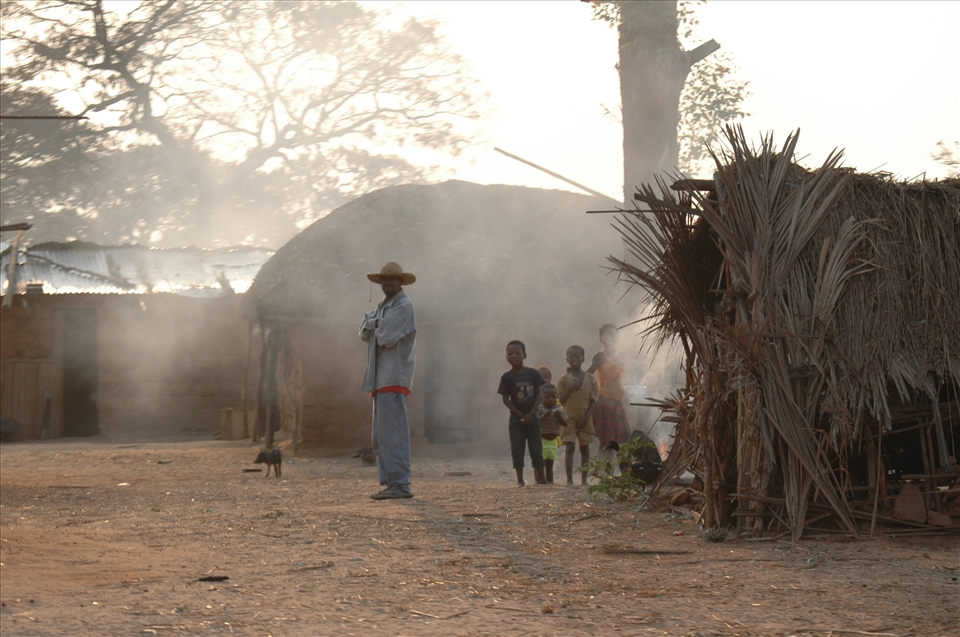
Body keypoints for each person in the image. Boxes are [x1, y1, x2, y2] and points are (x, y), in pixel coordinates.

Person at [359, 262, 417, 500]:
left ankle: (400, 484)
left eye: (392, 280)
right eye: (384, 280)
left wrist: (373, 324)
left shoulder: (403, 306)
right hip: (380, 379)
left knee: (393, 433)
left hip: (394, 377)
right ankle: (392, 483)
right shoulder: (384, 307)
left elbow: (385, 337)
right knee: (381, 436)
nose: (388, 284)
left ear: (401, 282)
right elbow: (363, 331)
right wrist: (374, 324)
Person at [498, 340, 546, 487]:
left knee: (536, 448)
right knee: (517, 449)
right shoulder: (506, 377)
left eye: (517, 353)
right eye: (510, 354)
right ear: (506, 356)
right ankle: (520, 480)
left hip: (533, 418)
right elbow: (506, 400)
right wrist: (521, 415)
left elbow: (539, 393)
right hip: (516, 420)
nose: (513, 356)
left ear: (524, 355)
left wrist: (532, 414)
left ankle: (542, 479)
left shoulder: (533, 373)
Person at [587, 324, 632, 475]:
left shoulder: (621, 357)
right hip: (604, 401)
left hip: (618, 402)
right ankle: (604, 474)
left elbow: (624, 380)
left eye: (613, 334)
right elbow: (587, 376)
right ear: (601, 338)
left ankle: (624, 472)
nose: (610, 338)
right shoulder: (600, 356)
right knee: (606, 440)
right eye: (606, 335)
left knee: (623, 439)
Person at [556, 345, 598, 485]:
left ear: (583, 359)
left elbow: (593, 400)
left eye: (577, 357)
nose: (574, 359)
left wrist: (586, 417)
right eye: (571, 357)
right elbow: (560, 400)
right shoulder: (564, 379)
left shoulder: (591, 379)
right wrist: (570, 388)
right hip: (568, 419)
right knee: (570, 447)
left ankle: (584, 480)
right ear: (567, 360)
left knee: (585, 448)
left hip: (586, 418)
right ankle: (569, 480)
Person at [536, 383, 568, 484]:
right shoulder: (540, 408)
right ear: (541, 398)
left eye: (553, 397)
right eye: (547, 397)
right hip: (542, 441)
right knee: (540, 464)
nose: (551, 399)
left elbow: (565, 423)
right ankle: (539, 482)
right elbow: (535, 423)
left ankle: (550, 483)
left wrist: (559, 417)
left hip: (553, 442)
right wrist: (544, 416)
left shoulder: (559, 409)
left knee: (550, 465)